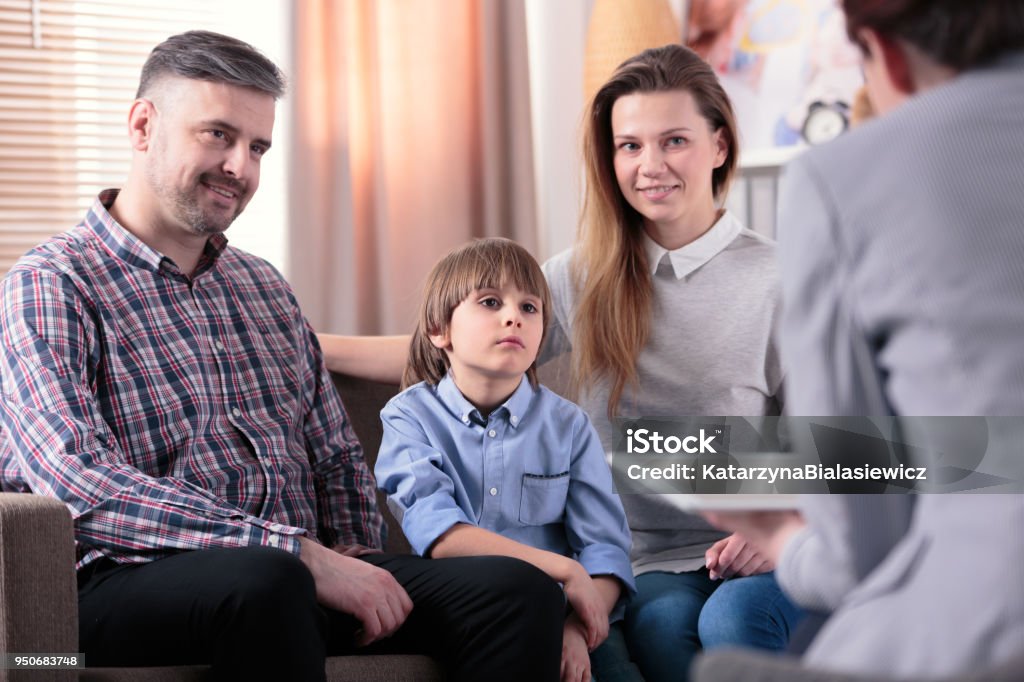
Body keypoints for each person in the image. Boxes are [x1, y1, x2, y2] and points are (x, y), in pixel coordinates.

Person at [0, 30, 564, 681]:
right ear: (143, 124)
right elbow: (79, 485)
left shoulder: (264, 287)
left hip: (291, 584)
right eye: (217, 135)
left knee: (518, 593)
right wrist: (297, 554)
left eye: (258, 147)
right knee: (267, 581)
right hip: (118, 590)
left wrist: (352, 557)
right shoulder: (52, 284)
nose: (240, 166)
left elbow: (333, 453)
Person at [318, 44, 803, 682]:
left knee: (731, 626)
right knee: (659, 631)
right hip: (646, 561)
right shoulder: (581, 277)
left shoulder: (784, 277)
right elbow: (450, 345)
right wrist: (302, 340)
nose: (649, 166)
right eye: (629, 146)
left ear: (719, 145)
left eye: (674, 141)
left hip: (771, 544)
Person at [699, 1, 1024, 678]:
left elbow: (858, 553)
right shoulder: (572, 288)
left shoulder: (840, 180)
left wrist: (779, 535)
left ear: (887, 55)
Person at [373, 237, 635, 682]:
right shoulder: (408, 415)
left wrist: (575, 626)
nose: (513, 315)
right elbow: (439, 533)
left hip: (568, 609)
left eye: (529, 308)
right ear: (440, 330)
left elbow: (606, 551)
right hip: (468, 606)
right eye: (490, 302)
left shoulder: (569, 424)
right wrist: (564, 570)